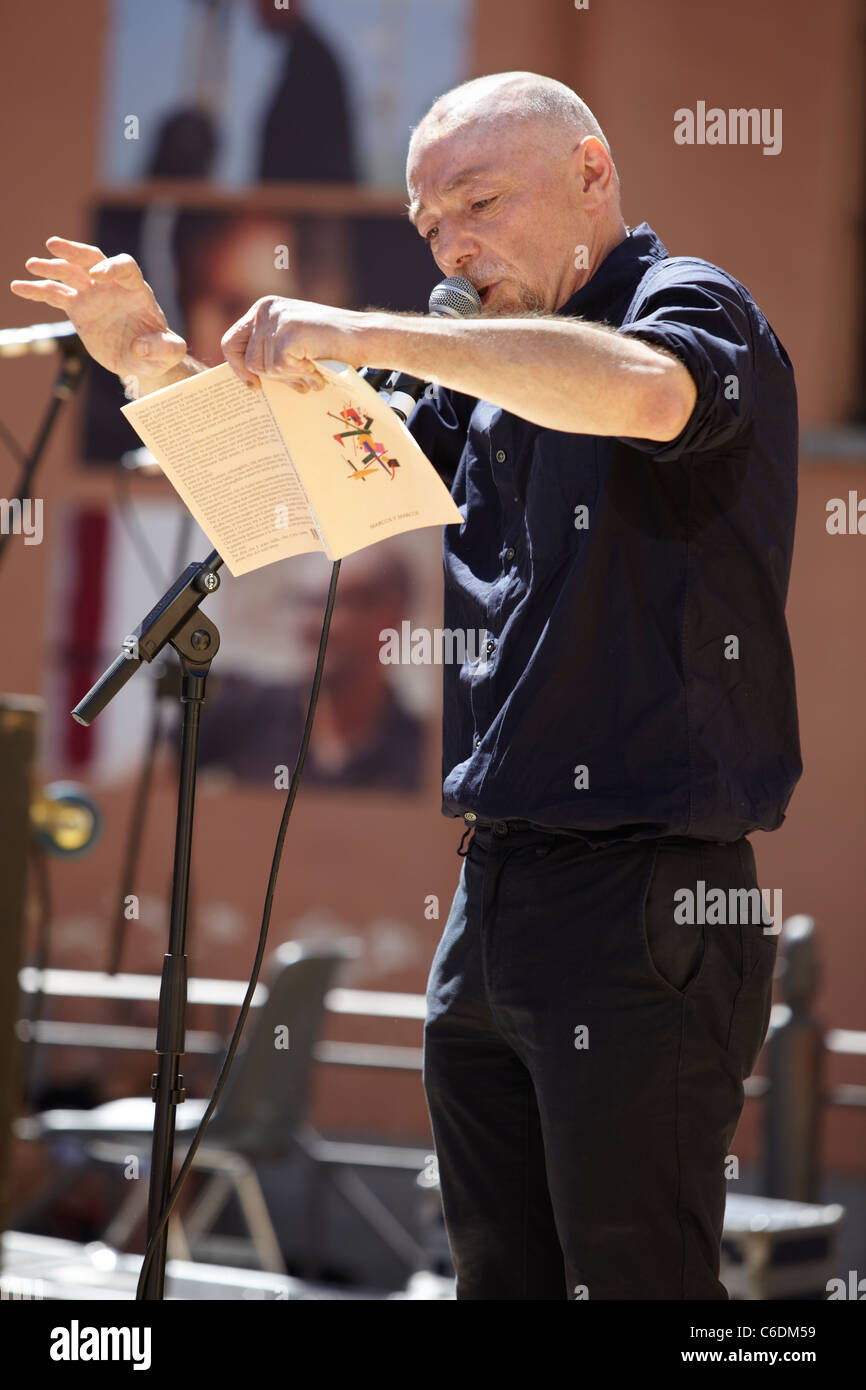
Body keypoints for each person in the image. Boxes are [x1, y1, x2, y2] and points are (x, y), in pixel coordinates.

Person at [11, 70, 801, 1300]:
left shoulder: (687, 303)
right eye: (430, 225)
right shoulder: (472, 377)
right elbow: (289, 503)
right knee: (495, 1274)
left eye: (478, 202)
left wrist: (365, 331)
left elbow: (643, 392)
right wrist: (150, 364)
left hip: (649, 897)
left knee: (639, 1282)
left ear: (591, 172)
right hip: (495, 888)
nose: (452, 242)